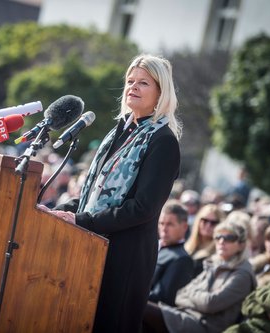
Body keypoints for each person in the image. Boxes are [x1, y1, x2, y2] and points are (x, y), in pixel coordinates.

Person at [42, 54, 182, 332]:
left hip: (123, 258)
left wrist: (82, 221)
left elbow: (143, 208)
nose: (133, 87)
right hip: (91, 246)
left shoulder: (163, 141)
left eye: (143, 83)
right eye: (130, 81)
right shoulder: (119, 131)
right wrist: (61, 211)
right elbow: (91, 196)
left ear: (161, 92)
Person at [143, 221, 257, 333]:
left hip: (206, 327)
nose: (222, 241)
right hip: (185, 316)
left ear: (241, 245)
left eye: (229, 238)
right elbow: (180, 294)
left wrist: (192, 296)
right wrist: (200, 299)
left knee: (140, 308)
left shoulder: (243, 274)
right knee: (139, 309)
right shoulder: (214, 264)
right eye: (218, 237)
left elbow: (210, 303)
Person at [149, 200, 194, 306]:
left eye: (170, 224)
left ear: (184, 227)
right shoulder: (149, 247)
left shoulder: (182, 259)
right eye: (161, 223)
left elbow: (161, 297)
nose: (164, 229)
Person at [184, 204, 225, 277]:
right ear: (198, 221)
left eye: (213, 223)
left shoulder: (218, 253)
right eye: (205, 220)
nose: (208, 225)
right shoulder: (188, 246)